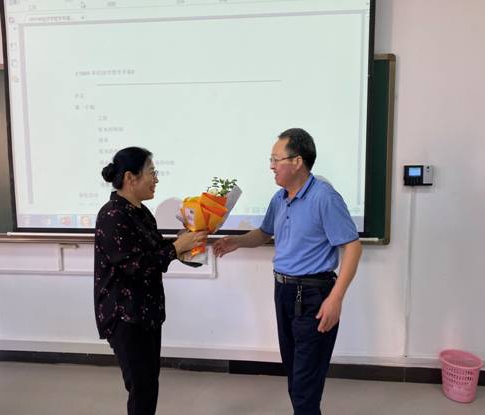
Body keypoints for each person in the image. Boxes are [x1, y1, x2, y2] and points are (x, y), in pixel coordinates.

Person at [213, 128, 362, 415]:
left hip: (314, 295)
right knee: (295, 373)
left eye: (276, 159)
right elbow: (264, 233)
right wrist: (237, 242)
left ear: (297, 161)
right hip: (283, 291)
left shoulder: (325, 197)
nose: (271, 166)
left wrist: (336, 298)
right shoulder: (279, 198)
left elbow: (353, 247)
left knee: (306, 382)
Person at [94, 147, 207, 415]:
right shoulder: (112, 215)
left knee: (148, 384)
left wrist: (184, 241)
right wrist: (176, 247)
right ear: (130, 177)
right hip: (125, 314)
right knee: (141, 387)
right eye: (152, 173)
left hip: (146, 312)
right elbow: (135, 266)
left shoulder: (141, 212)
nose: (156, 179)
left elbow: (155, 252)